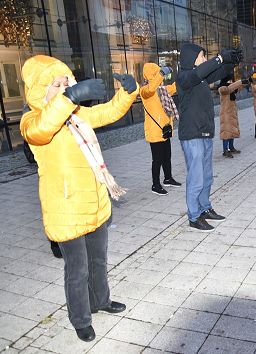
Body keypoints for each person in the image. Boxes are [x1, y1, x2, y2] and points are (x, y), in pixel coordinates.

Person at [20, 55, 138, 341]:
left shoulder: (76, 116)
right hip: (66, 207)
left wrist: (127, 93)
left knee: (98, 260)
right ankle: (80, 318)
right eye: (55, 84)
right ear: (39, 89)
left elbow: (107, 113)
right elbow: (40, 130)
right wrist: (69, 97)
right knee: (77, 269)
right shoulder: (33, 119)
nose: (62, 87)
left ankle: (101, 301)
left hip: (95, 202)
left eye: (65, 82)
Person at [176, 43, 241, 232]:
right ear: (192, 58)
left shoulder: (202, 78)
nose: (205, 59)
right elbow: (201, 72)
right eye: (202, 56)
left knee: (206, 177)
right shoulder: (185, 76)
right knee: (196, 178)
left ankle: (205, 208)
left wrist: (231, 63)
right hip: (192, 135)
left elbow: (218, 73)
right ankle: (194, 216)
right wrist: (219, 57)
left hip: (205, 133)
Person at [140, 63, 181, 196]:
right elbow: (151, 89)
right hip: (154, 131)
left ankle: (168, 178)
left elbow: (174, 88)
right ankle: (155, 185)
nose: (161, 75)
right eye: (157, 73)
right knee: (157, 159)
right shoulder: (145, 90)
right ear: (152, 74)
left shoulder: (162, 89)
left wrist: (184, 74)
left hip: (165, 129)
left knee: (167, 157)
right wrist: (161, 74)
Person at [218, 73, 250, 158]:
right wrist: (240, 82)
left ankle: (231, 148)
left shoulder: (231, 90)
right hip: (226, 114)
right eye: (229, 81)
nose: (231, 82)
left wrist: (246, 82)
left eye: (232, 81)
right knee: (226, 132)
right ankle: (225, 150)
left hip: (232, 114)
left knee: (231, 131)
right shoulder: (222, 89)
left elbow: (236, 87)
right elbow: (230, 88)